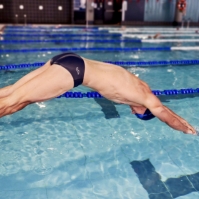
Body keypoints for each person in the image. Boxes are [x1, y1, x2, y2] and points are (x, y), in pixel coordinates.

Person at [0, 52, 196, 135]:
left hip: (70, 59)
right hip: (74, 72)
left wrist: (186, 121)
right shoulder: (145, 98)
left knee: (13, 92)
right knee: (15, 102)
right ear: (142, 110)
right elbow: (165, 117)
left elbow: (164, 110)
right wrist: (188, 131)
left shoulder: (141, 87)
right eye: (137, 114)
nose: (132, 113)